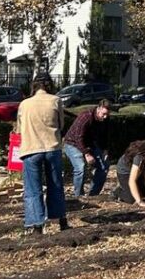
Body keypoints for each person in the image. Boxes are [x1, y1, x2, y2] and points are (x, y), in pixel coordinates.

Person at [17, 73, 68, 235]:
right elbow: (61, 125)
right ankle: (61, 219)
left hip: (31, 149)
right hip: (52, 147)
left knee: (33, 188)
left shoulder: (24, 104)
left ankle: (37, 225)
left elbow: (19, 129)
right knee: (56, 185)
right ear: (49, 85)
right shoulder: (55, 100)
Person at [63, 99, 111, 197]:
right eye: (104, 114)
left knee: (104, 167)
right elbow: (78, 137)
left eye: (107, 114)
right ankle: (78, 195)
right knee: (80, 167)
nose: (105, 117)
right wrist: (87, 153)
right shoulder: (86, 116)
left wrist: (105, 149)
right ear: (99, 108)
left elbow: (105, 134)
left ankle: (93, 194)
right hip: (73, 143)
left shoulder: (105, 119)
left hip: (90, 143)